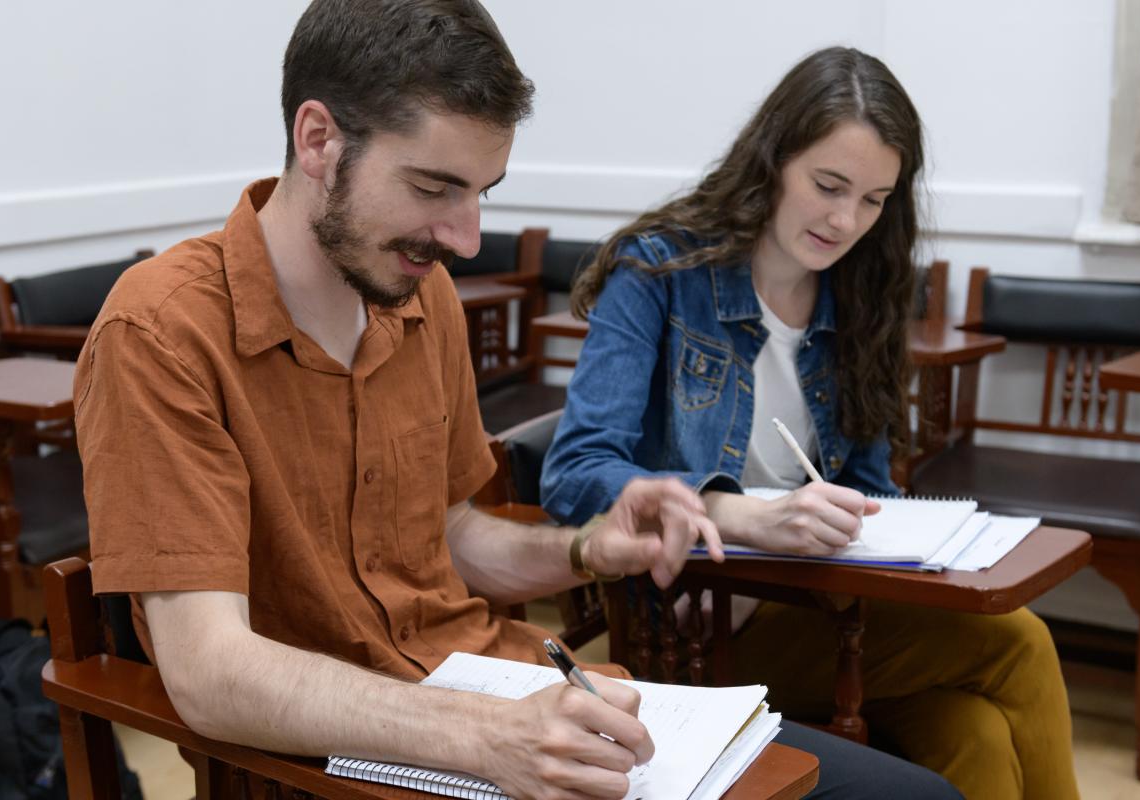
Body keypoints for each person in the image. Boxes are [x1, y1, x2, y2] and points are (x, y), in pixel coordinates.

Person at [75, 2, 957, 798]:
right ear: (318, 140)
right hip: (335, 762)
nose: (465, 237)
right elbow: (207, 670)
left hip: (495, 701)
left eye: (482, 194)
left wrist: (589, 548)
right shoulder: (163, 330)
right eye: (434, 188)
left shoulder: (420, 299)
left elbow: (454, 539)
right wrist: (482, 734)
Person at [542, 47, 1080, 800]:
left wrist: (856, 524)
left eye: (873, 199)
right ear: (772, 159)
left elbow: (865, 490)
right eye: (828, 186)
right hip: (693, 628)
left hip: (817, 606)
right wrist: (739, 516)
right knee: (1021, 642)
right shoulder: (659, 272)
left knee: (977, 736)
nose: (844, 220)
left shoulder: (860, 293)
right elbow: (573, 473)